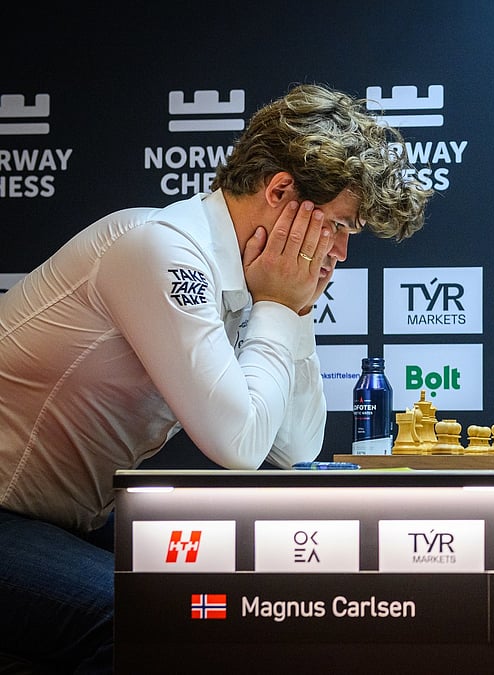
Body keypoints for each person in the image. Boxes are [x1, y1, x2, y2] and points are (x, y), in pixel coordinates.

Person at [0, 83, 430, 673]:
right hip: (9, 517)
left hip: (57, 520)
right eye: (337, 226)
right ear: (280, 191)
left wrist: (293, 308)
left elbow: (296, 446)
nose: (342, 252)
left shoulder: (242, 276)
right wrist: (278, 305)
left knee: (229, 601)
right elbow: (239, 447)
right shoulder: (161, 249)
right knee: (152, 622)